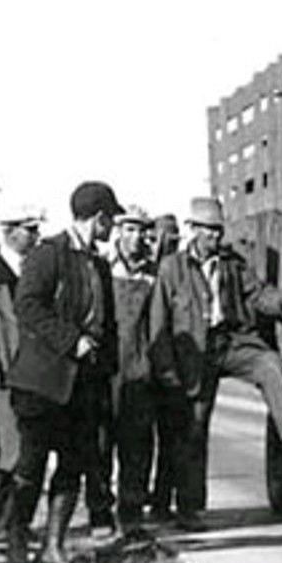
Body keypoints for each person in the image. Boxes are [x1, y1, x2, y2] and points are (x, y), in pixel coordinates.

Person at [148, 196, 282, 531]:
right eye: (209, 230)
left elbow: (257, 294)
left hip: (232, 343)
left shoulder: (232, 264)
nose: (215, 236)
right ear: (194, 230)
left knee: (270, 364)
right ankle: (189, 509)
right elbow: (159, 325)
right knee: (194, 429)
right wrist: (167, 370)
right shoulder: (172, 268)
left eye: (218, 230)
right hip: (194, 353)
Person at [2, 181, 121, 563]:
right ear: (98, 217)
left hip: (82, 385)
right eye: (110, 219)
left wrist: (105, 373)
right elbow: (27, 306)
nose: (112, 226)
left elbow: (108, 325)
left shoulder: (98, 264)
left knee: (72, 465)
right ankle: (16, 539)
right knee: (31, 465)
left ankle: (53, 548)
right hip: (41, 381)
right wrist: (72, 341)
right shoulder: (48, 254)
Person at [0, 204, 44, 538]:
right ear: (10, 231)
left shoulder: (35, 268)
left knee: (29, 448)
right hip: (3, 371)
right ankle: (1, 524)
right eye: (30, 230)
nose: (36, 236)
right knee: (6, 448)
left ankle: (20, 523)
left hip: (32, 371)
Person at [101, 204, 159, 540]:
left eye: (141, 230)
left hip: (140, 369)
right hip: (107, 370)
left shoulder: (154, 273)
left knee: (137, 446)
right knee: (101, 444)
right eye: (129, 229)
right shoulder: (103, 267)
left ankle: (132, 515)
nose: (136, 237)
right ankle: (100, 513)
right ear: (118, 232)